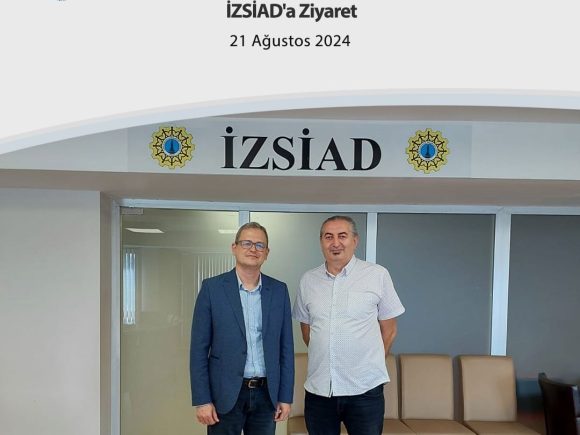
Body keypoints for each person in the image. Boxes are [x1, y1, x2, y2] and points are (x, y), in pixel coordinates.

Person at [292, 215, 405, 435]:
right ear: (321, 242)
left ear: (355, 240)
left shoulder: (377, 275)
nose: (335, 243)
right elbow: (307, 330)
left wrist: (368, 363)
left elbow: (389, 330)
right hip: (320, 390)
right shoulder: (308, 280)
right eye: (328, 237)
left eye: (342, 236)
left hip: (365, 390)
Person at [190, 222, 294, 435]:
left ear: (267, 252)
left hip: (266, 394)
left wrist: (285, 397)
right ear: (234, 247)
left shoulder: (279, 290)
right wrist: (202, 400)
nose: (253, 249)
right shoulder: (212, 288)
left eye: (259, 245)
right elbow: (198, 350)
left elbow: (286, 349)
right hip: (225, 394)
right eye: (246, 243)